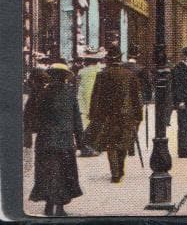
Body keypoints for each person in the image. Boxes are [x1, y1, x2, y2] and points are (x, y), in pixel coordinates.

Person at [24, 59, 84, 216]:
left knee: (48, 172)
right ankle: (60, 207)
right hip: (65, 141)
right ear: (65, 77)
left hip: (45, 140)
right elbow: (77, 120)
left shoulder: (41, 94)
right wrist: (81, 142)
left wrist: (30, 134)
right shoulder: (70, 95)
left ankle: (49, 205)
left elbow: (31, 118)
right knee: (64, 173)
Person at [86, 46, 143, 183]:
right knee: (123, 141)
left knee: (111, 144)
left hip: (108, 115)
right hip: (126, 114)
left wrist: (93, 114)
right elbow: (136, 97)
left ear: (108, 59)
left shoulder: (102, 75)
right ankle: (121, 168)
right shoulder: (130, 75)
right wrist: (138, 115)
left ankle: (115, 172)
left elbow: (96, 96)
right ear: (120, 58)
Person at [75, 48, 103, 157]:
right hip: (96, 98)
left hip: (83, 99)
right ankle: (95, 145)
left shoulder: (81, 71)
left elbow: (77, 86)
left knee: (84, 122)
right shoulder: (100, 71)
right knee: (96, 122)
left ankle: (84, 145)